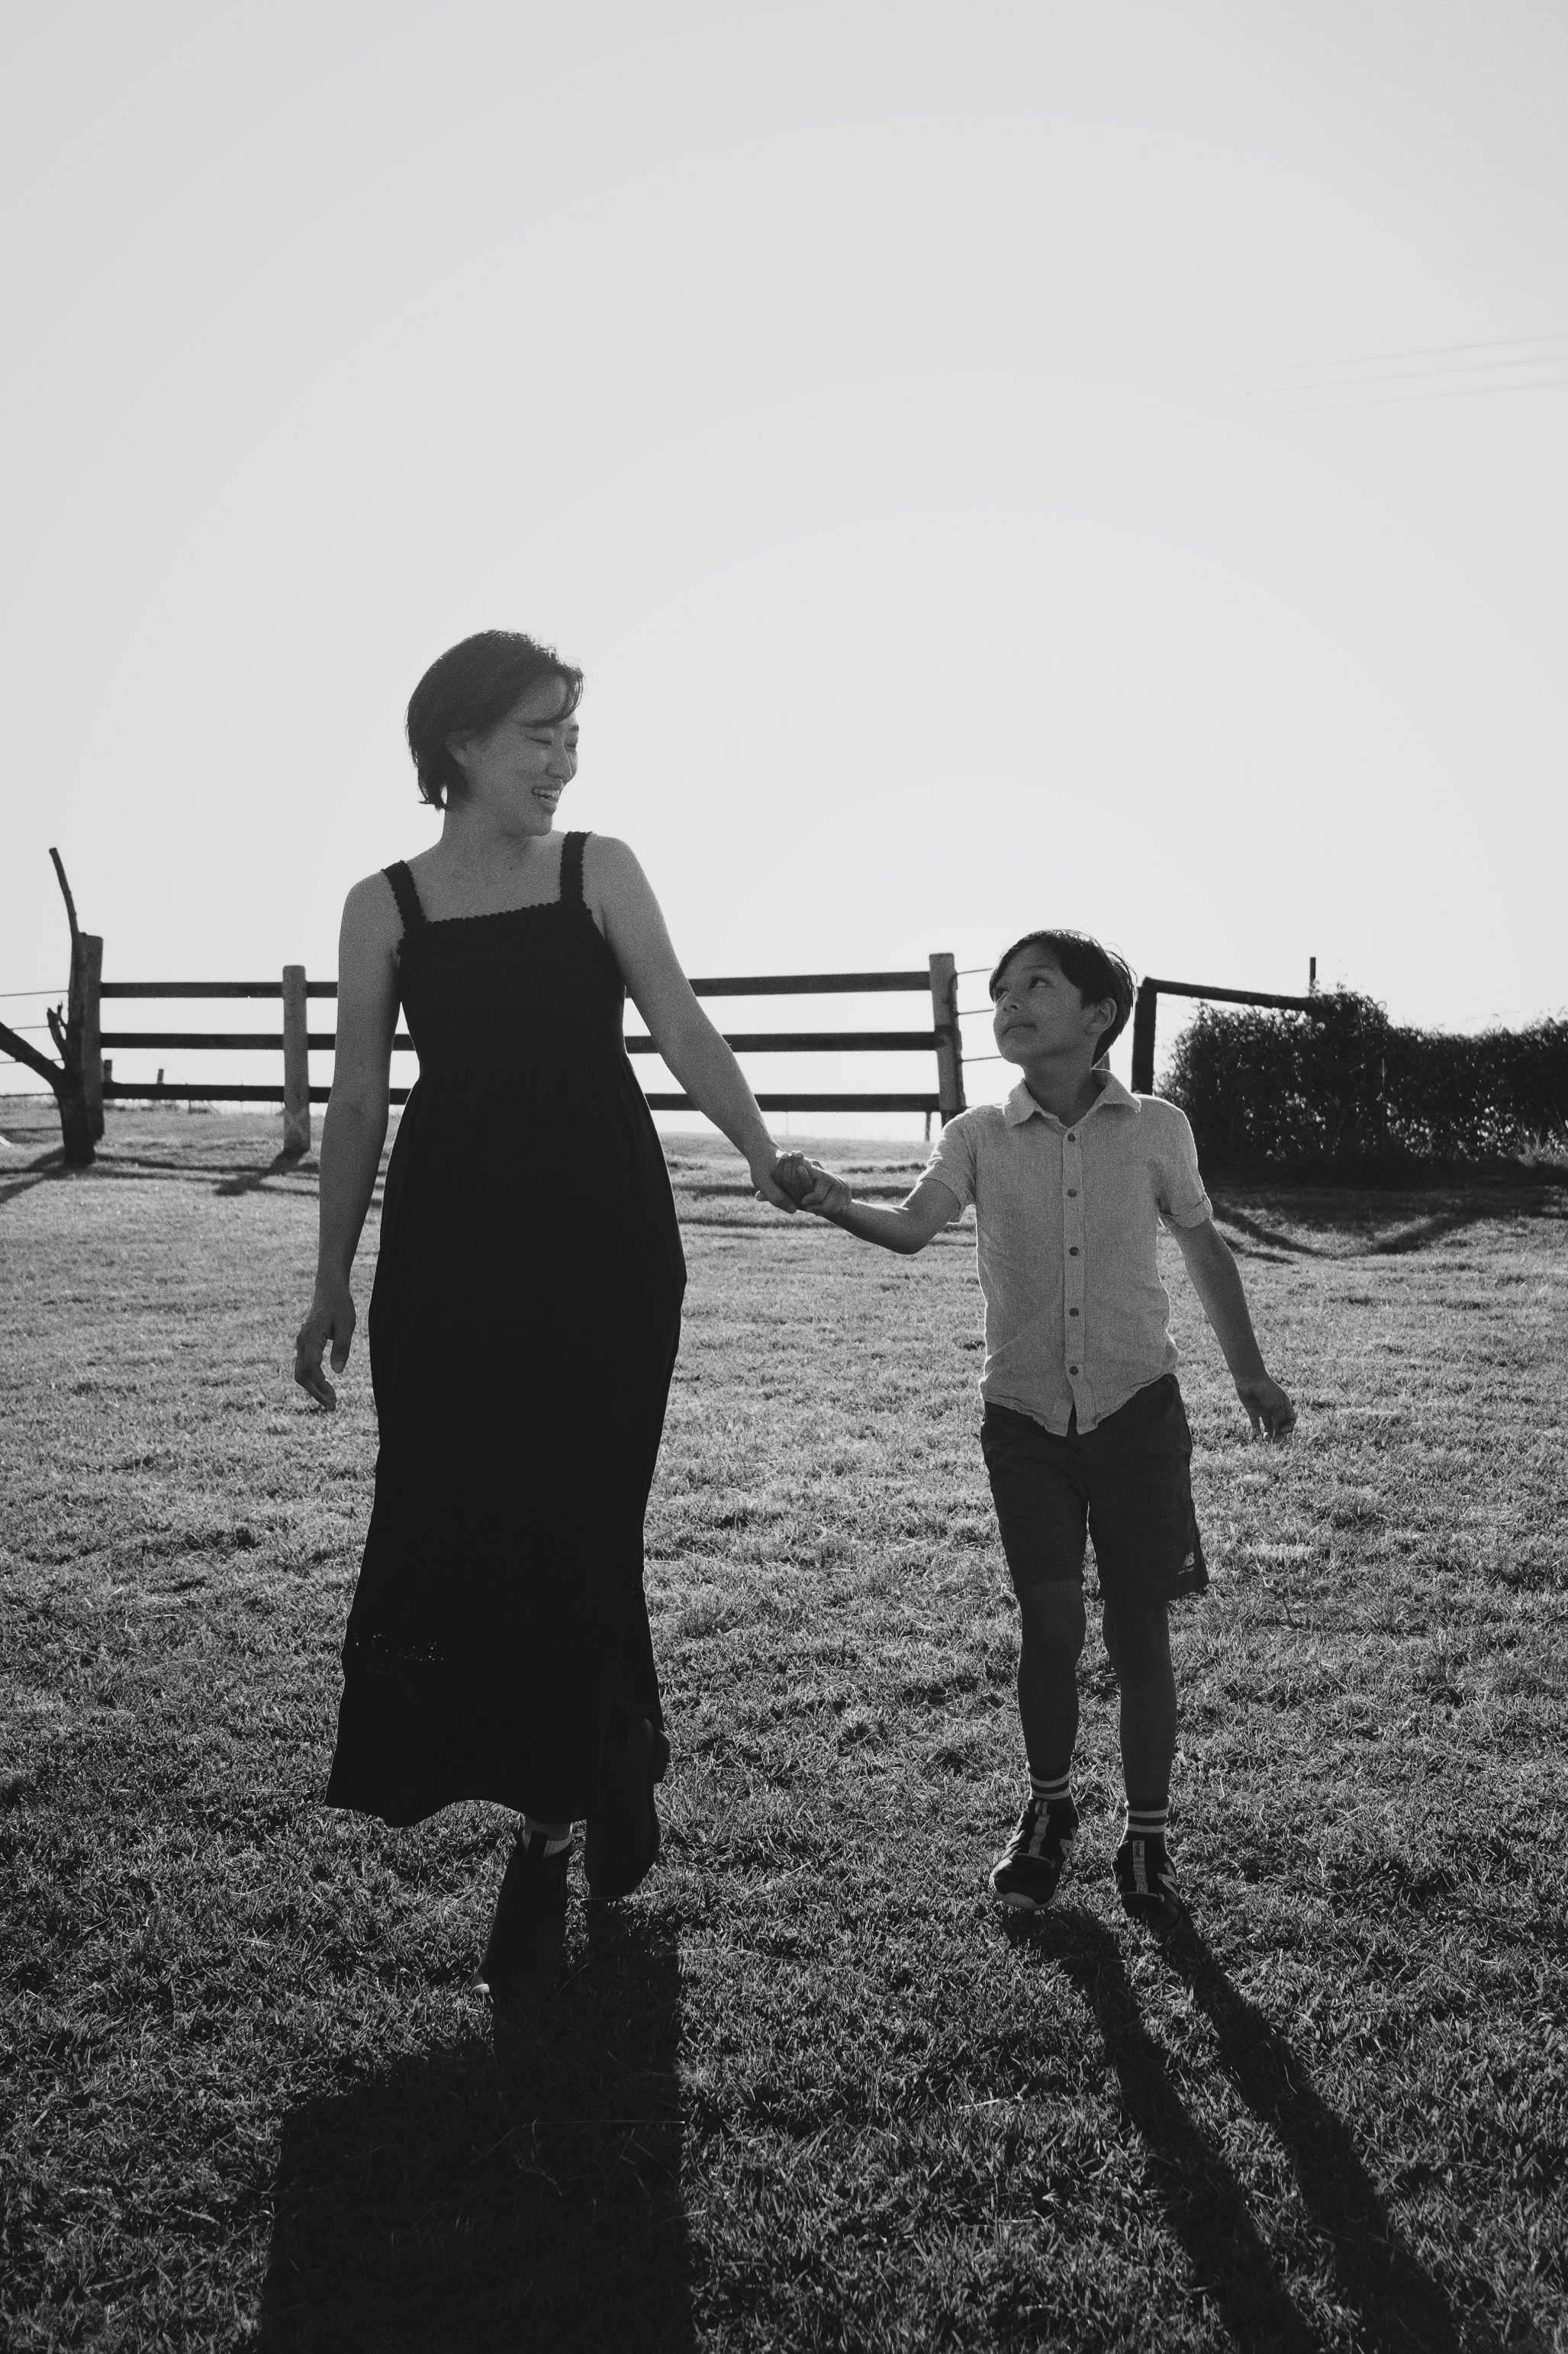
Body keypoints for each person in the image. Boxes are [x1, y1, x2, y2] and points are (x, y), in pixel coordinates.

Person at [294, 630, 803, 1994]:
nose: (565, 760)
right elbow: (357, 1098)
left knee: (581, 1521)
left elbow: (683, 1027)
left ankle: (549, 1834)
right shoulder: (382, 904)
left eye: (575, 734)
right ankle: (614, 1749)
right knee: (468, 1519)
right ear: (460, 743)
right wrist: (332, 1272)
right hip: (451, 1250)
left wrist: (761, 1152)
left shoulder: (599, 869)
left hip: (603, 1240)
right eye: (541, 733)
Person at [789, 929, 1295, 1924]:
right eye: (1001, 992)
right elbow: (911, 1226)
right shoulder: (976, 1133)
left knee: (1139, 1628)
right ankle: (1050, 1809)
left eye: (1036, 985)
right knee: (1051, 1623)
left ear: (1099, 1014)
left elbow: (1205, 1250)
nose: (1011, 1003)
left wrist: (1251, 1373)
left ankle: (1146, 1836)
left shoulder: (1157, 1128)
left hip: (1137, 1412)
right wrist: (833, 1200)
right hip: (1023, 1420)